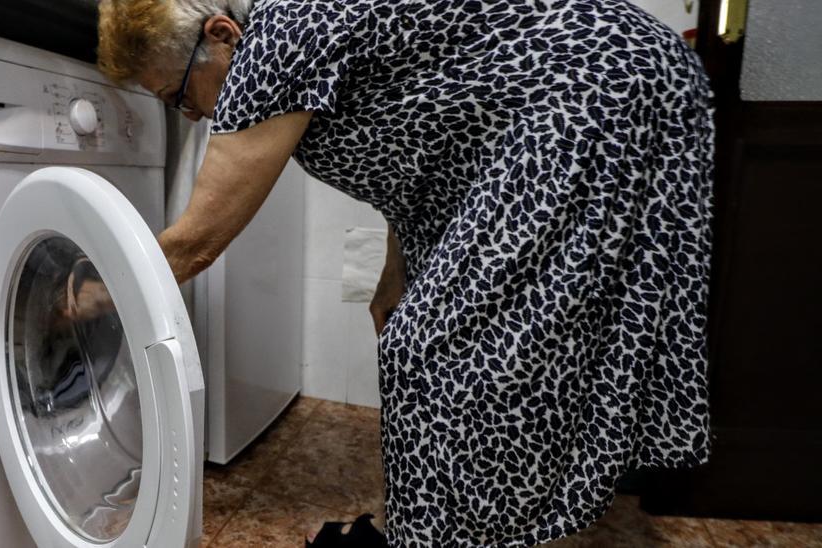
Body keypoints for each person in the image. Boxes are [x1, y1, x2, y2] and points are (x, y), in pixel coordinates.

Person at [97, 0, 715, 545]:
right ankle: (430, 526)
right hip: (578, 100)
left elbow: (199, 241)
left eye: (177, 96)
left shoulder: (277, 42)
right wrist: (395, 273)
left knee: (432, 353)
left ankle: (436, 534)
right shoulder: (290, 41)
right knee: (433, 341)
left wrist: (96, 291)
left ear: (223, 34)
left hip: (593, 88)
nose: (191, 117)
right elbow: (419, 153)